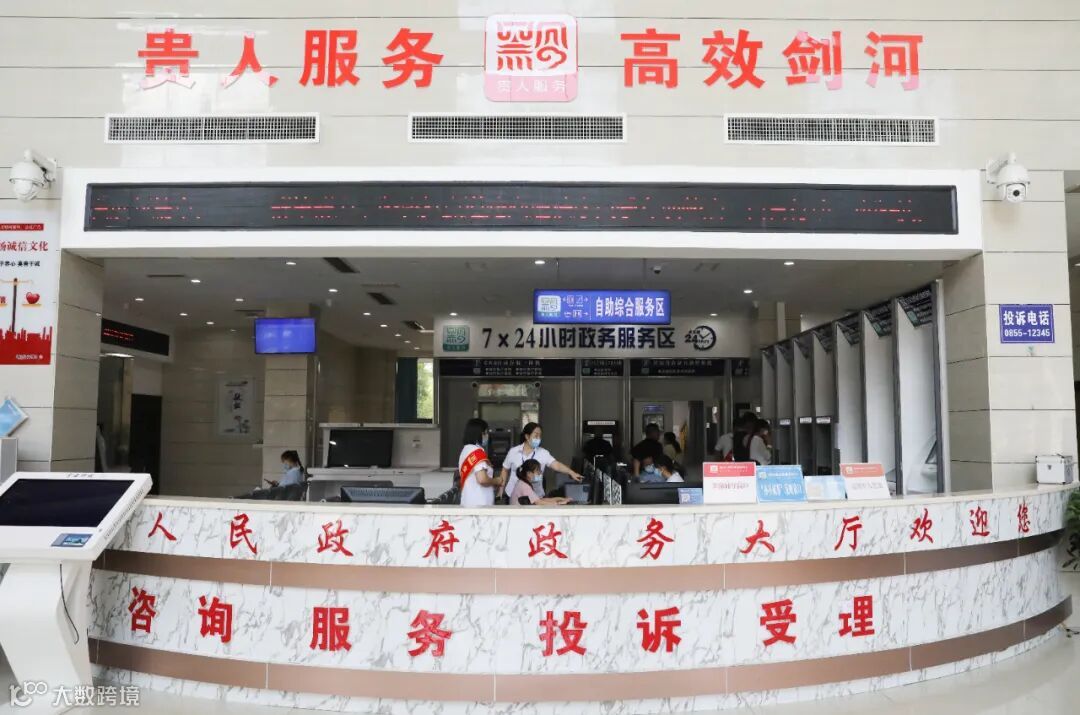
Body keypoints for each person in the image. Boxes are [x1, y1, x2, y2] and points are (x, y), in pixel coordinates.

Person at [501, 422, 583, 500]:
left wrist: (571, 472)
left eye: (540, 436)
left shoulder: (543, 453)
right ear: (527, 436)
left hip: (536, 495)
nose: (538, 438)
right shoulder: (513, 452)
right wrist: (501, 489)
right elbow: (505, 469)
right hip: (513, 494)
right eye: (536, 435)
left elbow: (557, 465)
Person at [458, 418, 505, 507]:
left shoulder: (466, 450)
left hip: (469, 501)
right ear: (477, 434)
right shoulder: (476, 452)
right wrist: (497, 481)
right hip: (479, 504)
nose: (487, 436)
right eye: (485, 433)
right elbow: (482, 479)